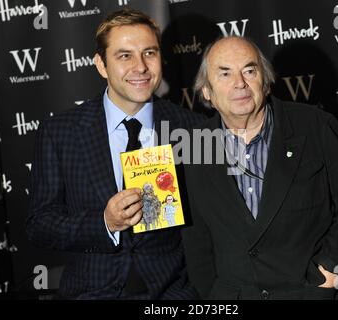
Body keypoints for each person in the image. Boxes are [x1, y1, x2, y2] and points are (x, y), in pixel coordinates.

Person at [26, 8, 204, 299]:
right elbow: (39, 224)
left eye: (149, 53)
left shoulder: (192, 127)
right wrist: (104, 222)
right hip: (91, 293)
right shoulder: (60, 132)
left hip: (171, 295)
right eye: (124, 56)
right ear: (101, 64)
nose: (141, 67)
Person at [181, 36, 338, 300]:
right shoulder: (195, 145)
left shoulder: (317, 126)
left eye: (250, 71)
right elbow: (196, 241)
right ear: (206, 91)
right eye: (225, 74)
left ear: (266, 81)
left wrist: (330, 271)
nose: (240, 83)